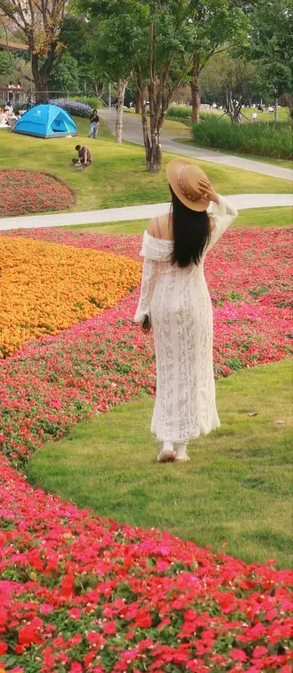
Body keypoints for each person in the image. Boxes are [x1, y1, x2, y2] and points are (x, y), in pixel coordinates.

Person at [134, 159, 238, 463]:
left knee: (168, 371)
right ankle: (181, 449)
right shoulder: (207, 225)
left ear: (172, 192)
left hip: (164, 304)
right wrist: (216, 196)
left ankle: (168, 440)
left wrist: (142, 312)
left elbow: (148, 275)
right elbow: (232, 212)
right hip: (195, 303)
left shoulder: (157, 224)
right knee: (192, 371)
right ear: (200, 196)